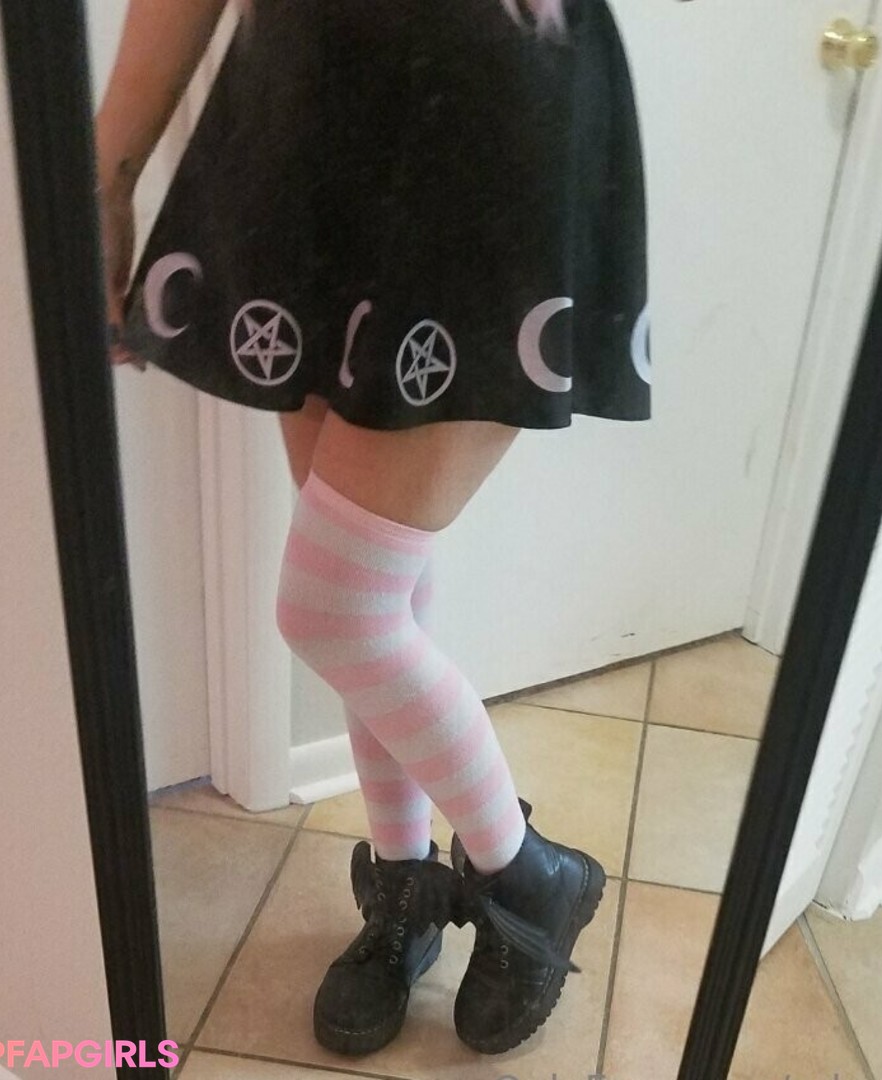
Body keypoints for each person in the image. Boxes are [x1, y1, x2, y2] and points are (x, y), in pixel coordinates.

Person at [96, 0, 650, 1059]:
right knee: (377, 587)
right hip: (305, 105)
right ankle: (404, 885)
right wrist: (105, 173)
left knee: (335, 607)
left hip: (487, 103)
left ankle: (528, 874)